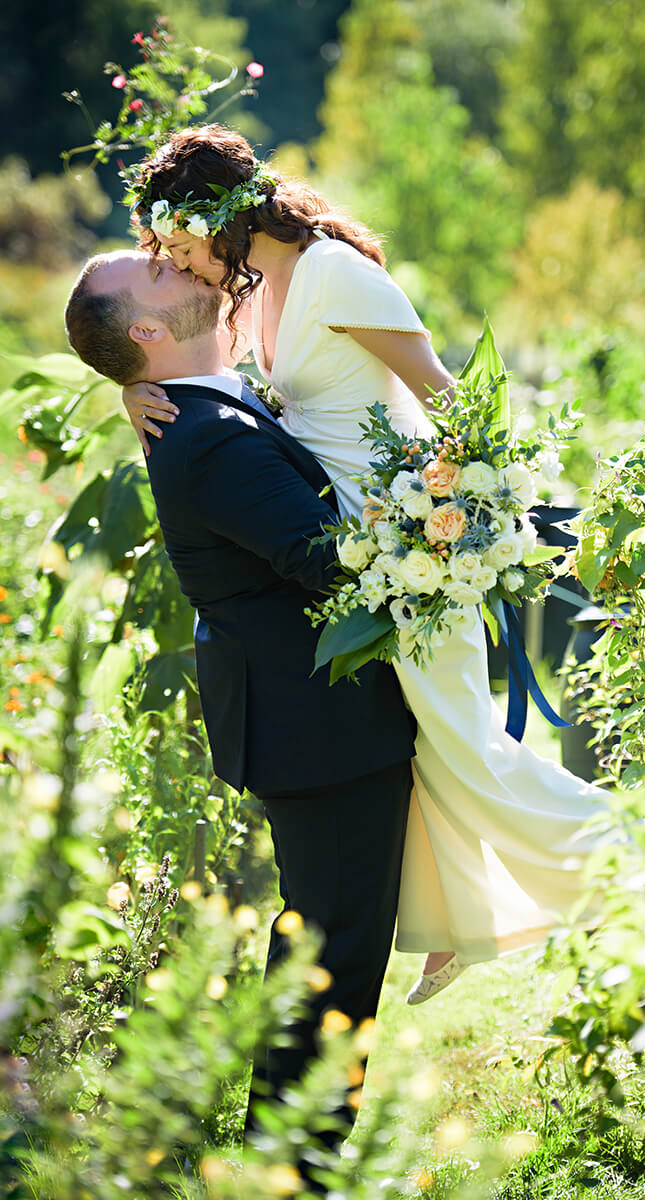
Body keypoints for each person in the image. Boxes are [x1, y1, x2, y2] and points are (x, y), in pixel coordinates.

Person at [122, 125, 612, 1005]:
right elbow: (197, 371)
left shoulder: (334, 273)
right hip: (358, 565)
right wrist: (130, 384)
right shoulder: (254, 289)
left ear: (219, 218)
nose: (178, 263)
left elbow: (453, 401)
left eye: (179, 244)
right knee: (431, 749)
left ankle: (643, 861)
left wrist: (456, 528)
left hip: (411, 555)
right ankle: (459, 925)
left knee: (466, 748)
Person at [63, 249, 418, 1161]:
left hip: (315, 717)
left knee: (327, 940)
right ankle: (294, 1168)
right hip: (319, 725)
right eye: (157, 273)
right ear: (147, 331)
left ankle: (287, 1158)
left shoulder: (205, 404)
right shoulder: (204, 433)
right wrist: (447, 527)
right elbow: (322, 558)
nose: (180, 264)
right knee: (332, 952)